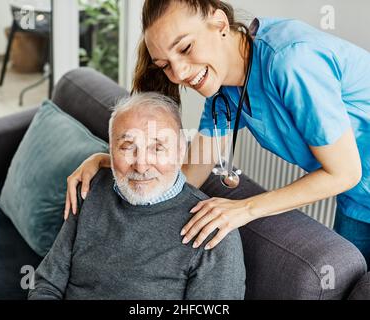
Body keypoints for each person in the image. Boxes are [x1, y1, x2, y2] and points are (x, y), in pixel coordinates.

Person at [65, 0, 370, 266]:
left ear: (219, 22)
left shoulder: (291, 61)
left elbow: (344, 172)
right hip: (357, 201)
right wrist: (107, 160)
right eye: (165, 65)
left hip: (351, 181)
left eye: (185, 48)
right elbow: (188, 175)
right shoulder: (222, 96)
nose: (181, 74)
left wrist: (244, 209)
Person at [28, 93, 245, 300]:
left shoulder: (214, 230)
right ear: (111, 152)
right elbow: (47, 283)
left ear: (180, 152)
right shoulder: (91, 188)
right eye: (127, 147)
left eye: (158, 148)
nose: (141, 166)